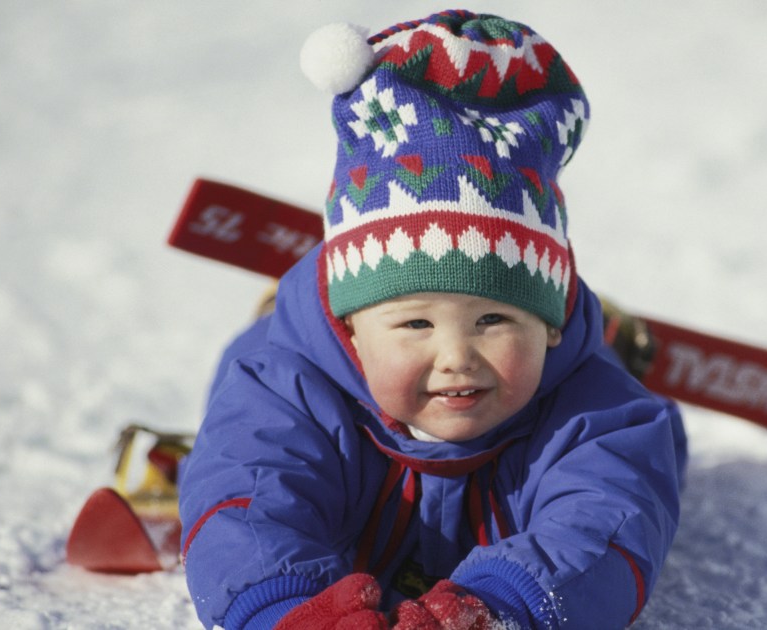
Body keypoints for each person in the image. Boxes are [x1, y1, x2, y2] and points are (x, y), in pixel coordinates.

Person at [178, 10, 687, 629]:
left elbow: (608, 519)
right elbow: (245, 505)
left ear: (550, 326)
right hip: (295, 354)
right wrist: (294, 613)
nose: (456, 356)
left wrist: (498, 609)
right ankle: (282, 299)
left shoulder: (599, 414)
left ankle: (602, 325)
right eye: (416, 325)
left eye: (493, 319)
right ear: (350, 329)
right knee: (244, 377)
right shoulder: (280, 390)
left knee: (628, 413)